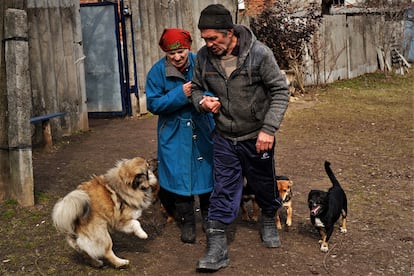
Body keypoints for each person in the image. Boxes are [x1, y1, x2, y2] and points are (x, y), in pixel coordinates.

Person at [190, 4, 290, 272]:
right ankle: (217, 248)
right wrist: (202, 101)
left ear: (230, 32)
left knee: (263, 182)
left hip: (257, 136)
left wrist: (268, 129)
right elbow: (196, 89)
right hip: (223, 136)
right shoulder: (203, 58)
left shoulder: (258, 54)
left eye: (214, 38)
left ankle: (268, 216)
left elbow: (280, 91)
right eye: (205, 39)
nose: (209, 44)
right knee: (223, 187)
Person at [146, 28, 215, 244]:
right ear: (165, 53)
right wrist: (180, 94)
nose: (177, 57)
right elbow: (153, 104)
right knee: (179, 178)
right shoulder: (157, 72)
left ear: (188, 48)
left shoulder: (202, 63)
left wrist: (208, 100)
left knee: (206, 175)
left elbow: (215, 88)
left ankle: (209, 219)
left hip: (201, 127)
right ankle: (186, 222)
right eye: (171, 54)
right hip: (174, 132)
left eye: (181, 52)